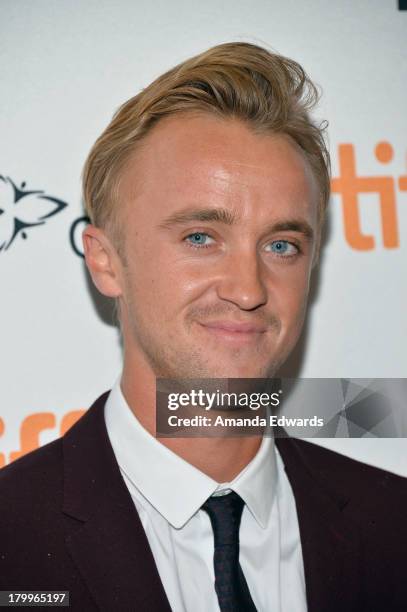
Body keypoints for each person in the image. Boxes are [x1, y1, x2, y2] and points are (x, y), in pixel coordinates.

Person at [0, 42, 406, 612]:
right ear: (106, 260)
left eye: (281, 244)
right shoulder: (11, 541)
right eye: (199, 238)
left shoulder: (393, 525)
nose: (248, 289)